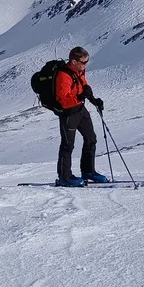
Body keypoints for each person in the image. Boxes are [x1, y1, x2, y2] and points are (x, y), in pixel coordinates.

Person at [54, 46, 108, 187]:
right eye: (83, 62)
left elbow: (83, 85)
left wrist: (93, 99)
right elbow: (62, 101)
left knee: (91, 139)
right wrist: (79, 97)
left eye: (87, 61)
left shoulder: (79, 70)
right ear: (73, 61)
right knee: (68, 145)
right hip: (68, 114)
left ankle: (88, 171)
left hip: (80, 109)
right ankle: (64, 176)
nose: (86, 65)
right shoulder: (63, 76)